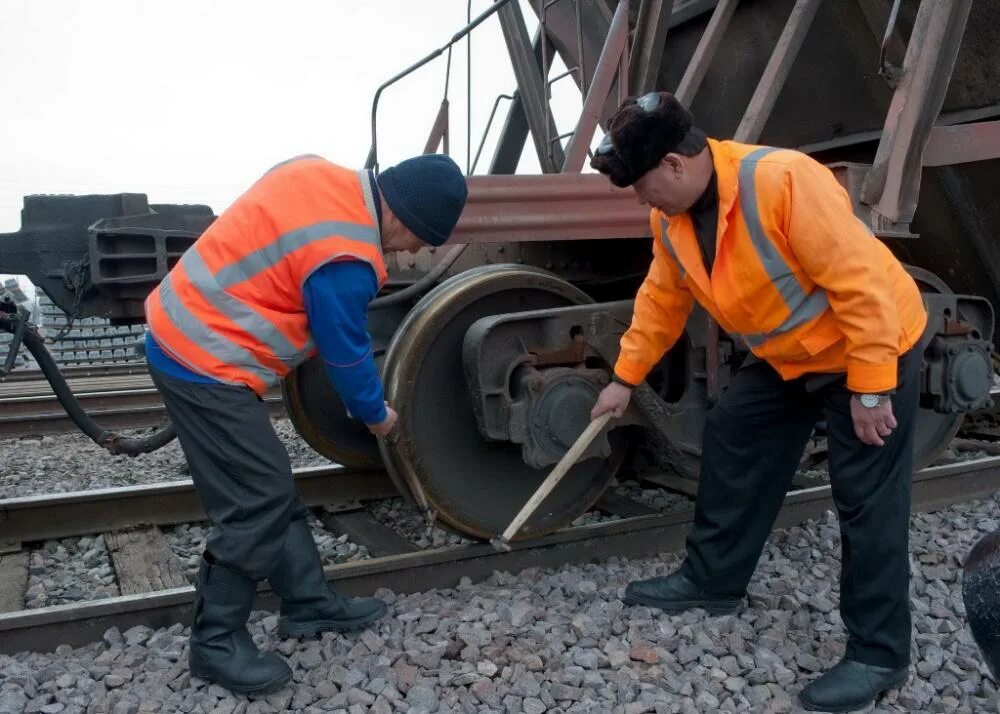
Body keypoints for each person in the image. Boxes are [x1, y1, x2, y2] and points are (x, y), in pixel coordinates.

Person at [588, 91, 927, 712]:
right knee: (733, 430)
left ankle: (879, 653)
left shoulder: (784, 181)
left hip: (867, 347)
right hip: (794, 358)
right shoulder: (673, 218)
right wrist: (625, 377)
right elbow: (663, 298)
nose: (640, 200)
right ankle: (713, 580)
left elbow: (864, 285)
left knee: (866, 495)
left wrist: (873, 386)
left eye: (641, 186)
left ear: (672, 164)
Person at [143, 152, 468, 695]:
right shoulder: (347, 256)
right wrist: (377, 415)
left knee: (268, 483)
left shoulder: (318, 175)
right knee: (255, 500)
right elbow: (345, 355)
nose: (415, 250)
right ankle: (215, 643)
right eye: (421, 239)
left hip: (191, 332)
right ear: (404, 218)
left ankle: (308, 602)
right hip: (202, 359)